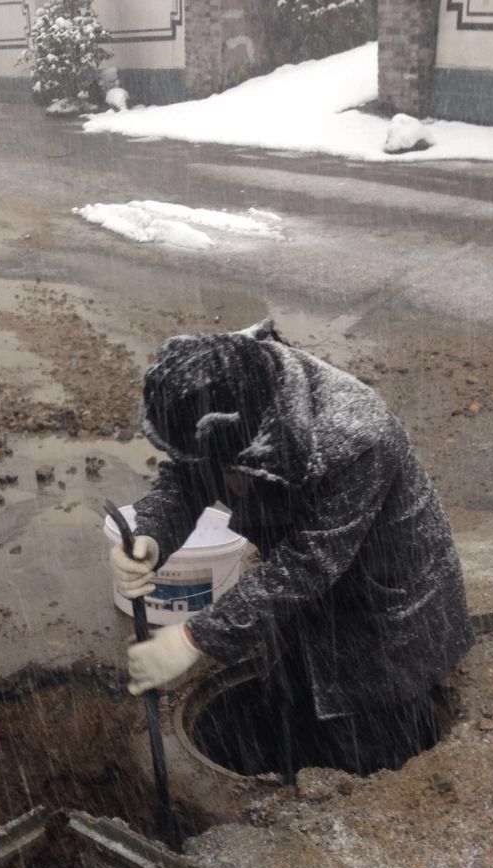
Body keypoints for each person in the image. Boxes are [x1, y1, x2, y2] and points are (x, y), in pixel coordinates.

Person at [110, 320, 474, 778]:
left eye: (234, 469)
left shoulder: (356, 437)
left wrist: (195, 638)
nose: (228, 481)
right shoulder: (216, 385)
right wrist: (151, 534)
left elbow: (308, 563)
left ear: (257, 438)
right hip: (306, 601)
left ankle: (356, 789)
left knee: (369, 730)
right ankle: (291, 761)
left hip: (384, 599)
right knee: (293, 696)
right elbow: (187, 478)